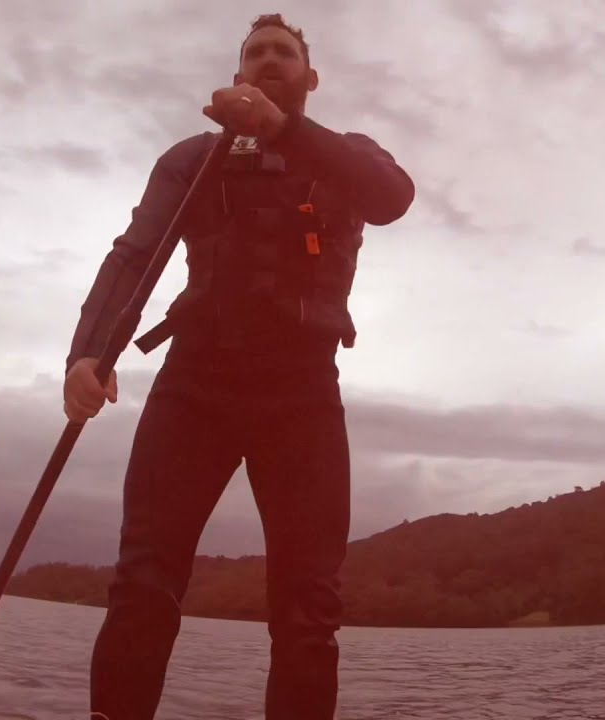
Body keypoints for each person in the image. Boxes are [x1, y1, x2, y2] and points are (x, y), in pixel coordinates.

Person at [63, 13, 414, 720]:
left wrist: (284, 131)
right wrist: (88, 351)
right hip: (197, 382)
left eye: (284, 53)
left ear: (309, 79)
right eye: (255, 53)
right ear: (236, 76)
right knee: (143, 581)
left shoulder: (349, 155)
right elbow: (136, 253)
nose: (269, 60)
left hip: (303, 392)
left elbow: (392, 199)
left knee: (308, 606)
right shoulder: (193, 159)